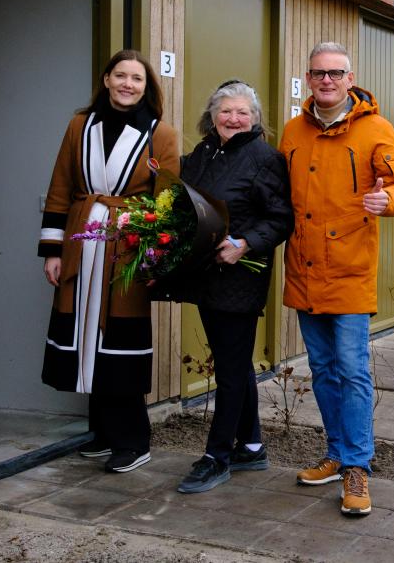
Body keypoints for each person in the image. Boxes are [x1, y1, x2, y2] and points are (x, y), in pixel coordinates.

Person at [278, 42, 394, 516]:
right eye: (319, 73)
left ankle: (357, 466)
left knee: (353, 370)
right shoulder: (293, 131)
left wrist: (387, 200)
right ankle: (335, 453)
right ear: (309, 78)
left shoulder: (376, 128)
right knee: (322, 370)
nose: (327, 81)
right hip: (304, 269)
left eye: (336, 73)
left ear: (350, 78)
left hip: (351, 270)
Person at [39, 49, 180, 474]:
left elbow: (169, 203)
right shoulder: (79, 126)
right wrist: (52, 250)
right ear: (105, 79)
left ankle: (133, 441)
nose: (127, 84)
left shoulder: (162, 135)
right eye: (120, 75)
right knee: (84, 340)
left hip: (127, 250)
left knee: (118, 343)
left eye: (136, 79)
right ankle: (102, 434)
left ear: (146, 87)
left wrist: (156, 259)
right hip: (81, 244)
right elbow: (61, 185)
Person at [175, 80, 292, 494]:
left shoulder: (265, 158)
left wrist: (244, 244)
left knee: (228, 368)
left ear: (256, 119)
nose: (234, 118)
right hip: (204, 274)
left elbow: (280, 219)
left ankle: (217, 456)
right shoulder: (200, 155)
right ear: (212, 115)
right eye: (226, 110)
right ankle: (253, 446)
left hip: (240, 275)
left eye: (243, 112)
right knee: (235, 362)